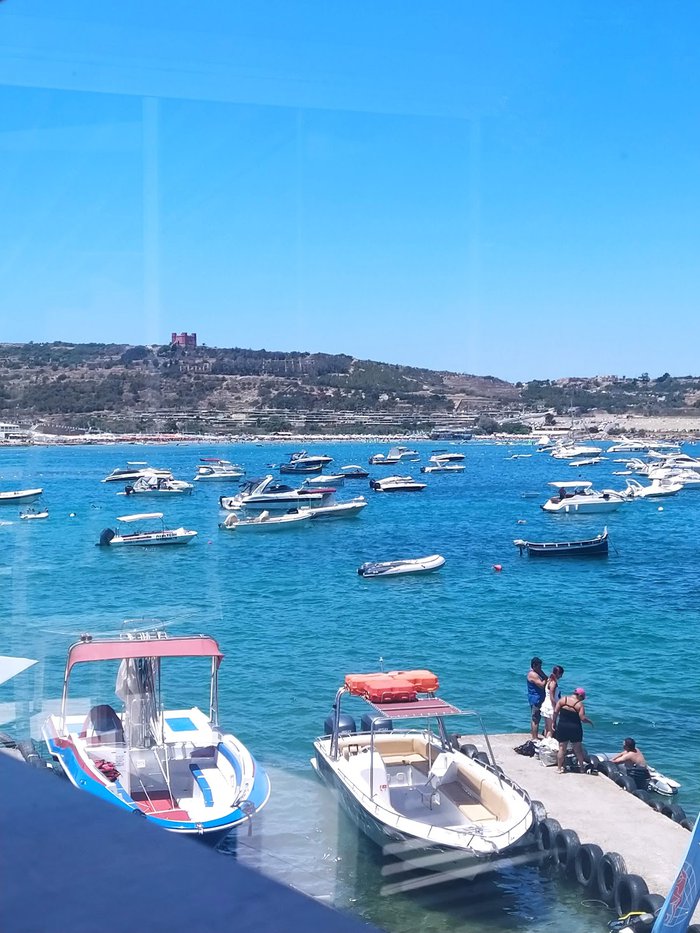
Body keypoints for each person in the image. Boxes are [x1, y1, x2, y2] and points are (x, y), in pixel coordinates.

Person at [553, 687, 592, 772]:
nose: (582, 700)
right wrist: (589, 721)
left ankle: (559, 768)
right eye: (582, 698)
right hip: (575, 728)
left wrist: (553, 722)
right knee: (578, 750)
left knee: (562, 748)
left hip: (562, 726)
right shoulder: (579, 705)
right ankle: (582, 768)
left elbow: (555, 712)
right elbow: (582, 718)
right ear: (580, 696)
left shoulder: (563, 700)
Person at [540, 665, 564, 738]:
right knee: (551, 729)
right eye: (561, 674)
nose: (561, 676)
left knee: (547, 727)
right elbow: (552, 698)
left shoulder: (549, 680)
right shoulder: (553, 683)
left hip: (546, 705)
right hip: (551, 707)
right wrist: (556, 708)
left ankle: (545, 741)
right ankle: (548, 742)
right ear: (558, 673)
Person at [526, 657, 547, 740]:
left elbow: (546, 677)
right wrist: (545, 679)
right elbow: (542, 685)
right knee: (536, 719)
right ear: (534, 666)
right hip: (536, 699)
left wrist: (542, 674)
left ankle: (534, 736)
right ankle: (535, 738)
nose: (540, 668)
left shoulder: (537, 672)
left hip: (538, 698)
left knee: (536, 718)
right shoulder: (533, 674)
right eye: (539, 666)